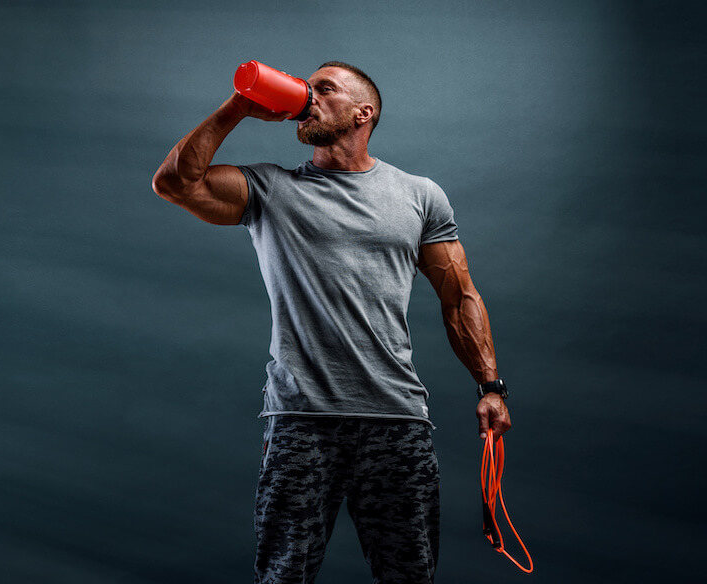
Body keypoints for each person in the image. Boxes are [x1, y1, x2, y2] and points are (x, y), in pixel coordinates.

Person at [150, 61, 512, 584]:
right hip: (301, 421)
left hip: (396, 421)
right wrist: (238, 108)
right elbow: (174, 183)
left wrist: (491, 386)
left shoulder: (419, 195)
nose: (306, 95)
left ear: (364, 112)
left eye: (324, 88)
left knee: (410, 575)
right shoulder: (269, 189)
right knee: (283, 576)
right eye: (306, 85)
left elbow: (459, 297)